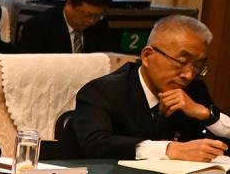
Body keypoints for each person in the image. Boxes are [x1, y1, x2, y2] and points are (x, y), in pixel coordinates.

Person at [67, 14, 224, 161]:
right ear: (147, 56)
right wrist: (168, 149)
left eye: (197, 65)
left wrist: (205, 115)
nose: (188, 75)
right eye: (181, 62)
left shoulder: (195, 91)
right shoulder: (103, 91)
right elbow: (95, 144)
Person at [17, 0, 121, 55]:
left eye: (99, 16)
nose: (92, 21)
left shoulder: (100, 25)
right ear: (69, 5)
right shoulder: (39, 26)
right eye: (88, 15)